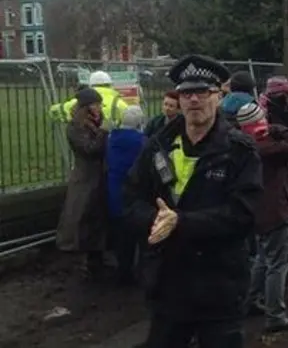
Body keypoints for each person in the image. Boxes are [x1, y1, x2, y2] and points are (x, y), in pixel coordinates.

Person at [122, 55, 263, 348]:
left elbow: (243, 214)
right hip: (169, 284)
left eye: (203, 92)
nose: (194, 100)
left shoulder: (239, 150)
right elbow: (131, 199)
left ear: (218, 97)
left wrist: (181, 222)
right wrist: (156, 220)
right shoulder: (157, 146)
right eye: (187, 93)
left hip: (219, 285)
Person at [238, 102, 288, 333]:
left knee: (263, 259)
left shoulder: (244, 146)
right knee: (278, 264)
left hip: (259, 212)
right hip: (277, 210)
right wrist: (277, 129)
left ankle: (248, 301)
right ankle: (275, 314)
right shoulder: (270, 146)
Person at [56, 88, 109, 280]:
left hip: (99, 176)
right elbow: (88, 149)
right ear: (86, 107)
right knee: (82, 216)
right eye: (96, 105)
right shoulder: (74, 128)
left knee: (97, 217)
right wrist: (103, 134)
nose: (99, 108)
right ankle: (81, 258)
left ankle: (97, 256)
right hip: (85, 178)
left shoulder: (96, 124)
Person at [107, 105, 146, 285]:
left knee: (121, 238)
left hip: (114, 191)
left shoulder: (111, 138)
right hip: (135, 194)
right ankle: (140, 273)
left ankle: (123, 273)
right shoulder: (142, 142)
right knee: (140, 236)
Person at [49, 70, 129, 130]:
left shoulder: (80, 101)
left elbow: (54, 112)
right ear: (110, 84)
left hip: (85, 144)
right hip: (111, 145)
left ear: (90, 85)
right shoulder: (120, 104)